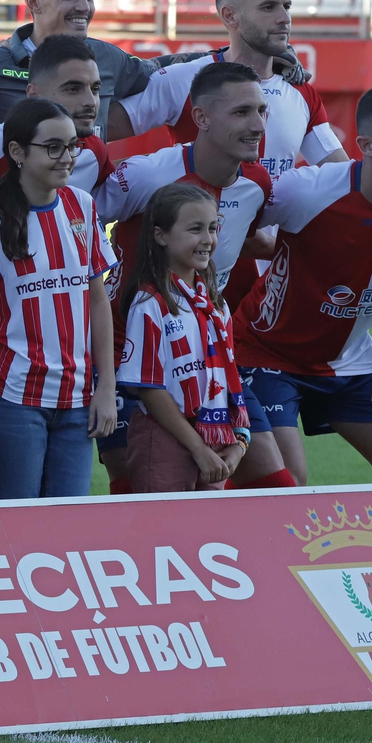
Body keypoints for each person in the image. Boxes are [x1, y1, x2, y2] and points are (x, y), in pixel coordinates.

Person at [234, 83, 372, 484]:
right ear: (367, 146)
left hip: (352, 362)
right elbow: (236, 232)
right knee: (286, 486)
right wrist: (290, 252)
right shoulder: (307, 191)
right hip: (265, 355)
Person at [94, 62, 295, 492]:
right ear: (201, 118)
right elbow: (76, 226)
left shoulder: (257, 183)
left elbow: (245, 242)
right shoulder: (147, 175)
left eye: (262, 112)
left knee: (275, 484)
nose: (258, 124)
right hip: (127, 361)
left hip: (209, 361)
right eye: (242, 112)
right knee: (139, 487)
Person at [0, 99, 117, 499]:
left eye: (73, 145)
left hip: (79, 400)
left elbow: (97, 300)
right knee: (17, 524)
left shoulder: (82, 206)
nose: (67, 157)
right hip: (14, 399)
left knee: (67, 525)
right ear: (17, 152)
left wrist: (106, 387)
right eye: (53, 147)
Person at [0, 0, 307, 136]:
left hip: (77, 230)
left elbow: (164, 66)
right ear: (33, 1)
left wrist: (253, 58)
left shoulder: (107, 59)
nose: (84, 7)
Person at [105, 0, 347, 176]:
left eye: (287, 6)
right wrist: (139, 186)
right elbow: (92, 133)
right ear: (230, 16)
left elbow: (341, 176)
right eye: (268, 7)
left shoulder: (302, 92)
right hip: (201, 225)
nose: (284, 18)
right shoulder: (184, 78)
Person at [116, 184, 252, 492]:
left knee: (207, 535)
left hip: (216, 436)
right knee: (165, 534)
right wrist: (198, 449)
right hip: (167, 437)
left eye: (213, 228)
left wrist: (240, 440)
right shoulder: (150, 304)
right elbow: (149, 389)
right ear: (160, 235)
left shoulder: (216, 304)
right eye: (195, 229)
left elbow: (230, 380)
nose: (208, 240)